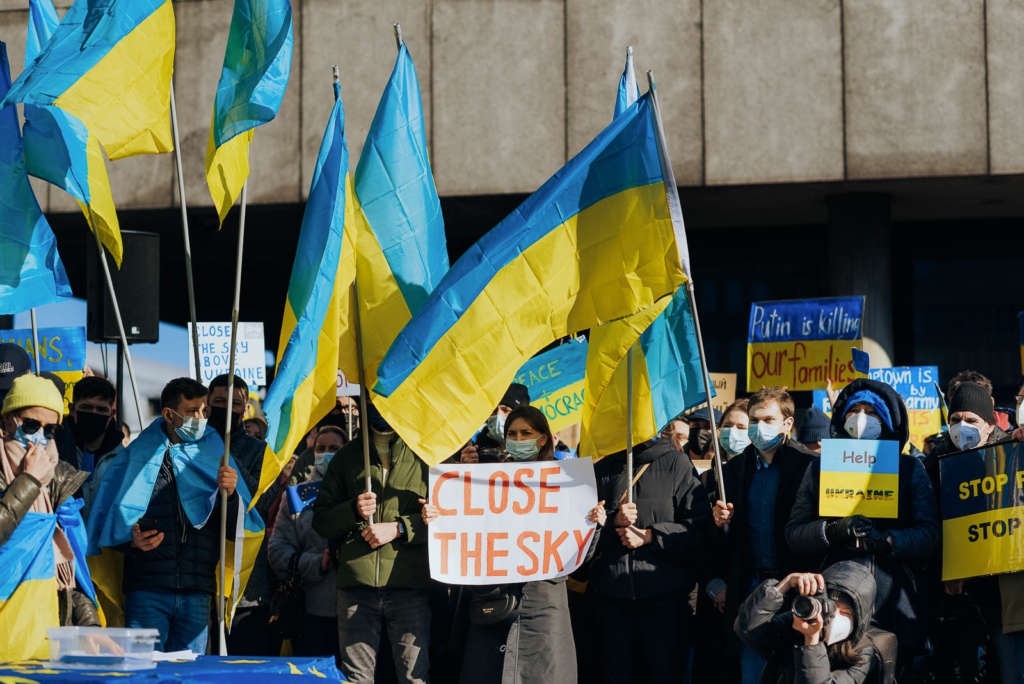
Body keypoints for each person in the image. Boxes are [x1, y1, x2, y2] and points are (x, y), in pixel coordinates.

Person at [421, 405, 601, 684]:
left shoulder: (567, 483)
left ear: (543, 438)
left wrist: (593, 524)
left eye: (526, 433)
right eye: (512, 434)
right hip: (493, 601)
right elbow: (467, 528)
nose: (518, 439)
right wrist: (441, 514)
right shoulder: (486, 480)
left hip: (542, 605)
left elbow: (580, 557)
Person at [785, 378, 938, 670]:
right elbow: (794, 533)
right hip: (836, 598)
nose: (862, 418)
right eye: (854, 410)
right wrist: (831, 531)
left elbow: (929, 534)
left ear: (888, 420)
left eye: (871, 411)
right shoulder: (820, 468)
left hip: (894, 599)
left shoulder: (909, 468)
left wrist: (888, 541)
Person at [88, 377, 240, 653]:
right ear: (170, 415)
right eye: (193, 411)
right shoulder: (135, 457)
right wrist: (130, 541)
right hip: (147, 591)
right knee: (143, 674)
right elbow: (109, 522)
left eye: (204, 411)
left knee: (190, 677)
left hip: (197, 591)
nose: (201, 418)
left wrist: (231, 496)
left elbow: (235, 530)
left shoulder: (217, 452)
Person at [584, 402, 709, 682]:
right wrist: (612, 522)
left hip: (664, 607)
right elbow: (580, 539)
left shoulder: (677, 464)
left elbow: (699, 531)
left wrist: (652, 536)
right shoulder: (603, 469)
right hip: (611, 606)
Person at [312, 400, 430, 684]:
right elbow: (321, 521)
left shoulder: (424, 456)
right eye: (373, 398)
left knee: (414, 678)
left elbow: (445, 521)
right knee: (356, 679)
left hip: (408, 585)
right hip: (356, 589)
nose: (381, 405)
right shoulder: (346, 457)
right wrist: (352, 510)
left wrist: (400, 528)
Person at [705, 388, 815, 684]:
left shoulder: (809, 467)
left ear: (787, 424)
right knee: (751, 672)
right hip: (749, 590)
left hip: (795, 588)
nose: (758, 427)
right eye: (753, 419)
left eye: (768, 419)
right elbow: (719, 541)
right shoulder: (734, 470)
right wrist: (721, 523)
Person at [925, 381, 1023, 684]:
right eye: (955, 420)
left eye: (971, 420)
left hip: (1005, 596)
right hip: (958, 596)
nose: (962, 426)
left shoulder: (1012, 456)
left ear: (989, 424)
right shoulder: (935, 466)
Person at [0, 374, 100, 652]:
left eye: (51, 429)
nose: (40, 436)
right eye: (31, 425)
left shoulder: (57, 477)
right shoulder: (31, 477)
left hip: (44, 634)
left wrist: (88, 625)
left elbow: (68, 568)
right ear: (8, 419)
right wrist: (29, 482)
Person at [207, 373, 287, 656]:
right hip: (203, 582)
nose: (226, 408)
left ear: (244, 409)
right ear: (206, 404)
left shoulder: (261, 452)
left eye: (234, 404)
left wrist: (227, 460)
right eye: (218, 402)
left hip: (245, 586)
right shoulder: (192, 446)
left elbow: (263, 504)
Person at [735, 561, 896, 683]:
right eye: (831, 608)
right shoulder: (799, 624)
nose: (834, 617)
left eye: (845, 613)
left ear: (860, 618)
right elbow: (748, 630)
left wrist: (811, 642)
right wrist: (785, 584)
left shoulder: (865, 651)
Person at [268, 425, 346, 660]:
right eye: (320, 448)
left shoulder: (362, 492)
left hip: (358, 612)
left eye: (334, 448)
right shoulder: (297, 496)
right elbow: (277, 550)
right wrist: (316, 563)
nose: (326, 453)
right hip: (312, 609)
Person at [58, 376, 123, 474]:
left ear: (112, 414)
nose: (93, 413)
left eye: (101, 409)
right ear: (72, 409)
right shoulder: (56, 449)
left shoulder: (122, 457)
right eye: (86, 408)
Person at [459, 383, 529, 464]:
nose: (498, 416)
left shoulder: (535, 453)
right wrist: (466, 467)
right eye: (494, 411)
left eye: (505, 410)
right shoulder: (476, 453)